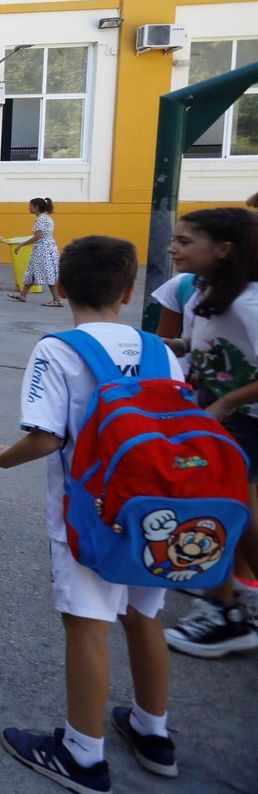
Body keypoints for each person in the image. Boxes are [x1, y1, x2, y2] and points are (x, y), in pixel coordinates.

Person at [0, 236, 178, 790]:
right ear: (130, 291)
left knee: (88, 623)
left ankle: (83, 756)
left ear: (61, 287)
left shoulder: (58, 349)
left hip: (89, 513)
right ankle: (153, 732)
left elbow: (46, 437)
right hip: (155, 509)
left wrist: (1, 459)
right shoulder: (159, 350)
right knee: (144, 615)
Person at [159, 208, 258, 658]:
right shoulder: (203, 289)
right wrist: (172, 346)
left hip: (244, 421)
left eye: (184, 241)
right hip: (219, 414)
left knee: (230, 515)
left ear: (223, 249)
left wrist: (227, 401)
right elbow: (207, 345)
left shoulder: (249, 302)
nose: (172, 248)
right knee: (225, 513)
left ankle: (226, 614)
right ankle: (225, 606)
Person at [10, 198, 63, 306]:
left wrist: (22, 244)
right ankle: (22, 295)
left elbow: (37, 236)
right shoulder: (46, 218)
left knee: (48, 273)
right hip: (48, 247)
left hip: (43, 249)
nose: (29, 208)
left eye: (30, 206)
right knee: (33, 271)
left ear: (36, 207)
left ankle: (57, 300)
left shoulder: (41, 220)